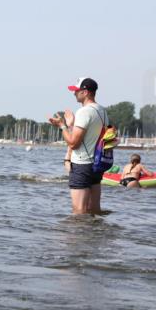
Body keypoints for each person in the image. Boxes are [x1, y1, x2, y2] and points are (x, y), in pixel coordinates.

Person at [48, 77, 110, 215]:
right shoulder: (102, 111)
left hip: (82, 165)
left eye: (76, 90)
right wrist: (71, 125)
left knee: (79, 211)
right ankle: (95, 229)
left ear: (85, 92)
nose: (74, 93)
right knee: (94, 210)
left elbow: (73, 143)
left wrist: (62, 126)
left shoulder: (84, 111)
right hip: (97, 164)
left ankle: (79, 230)